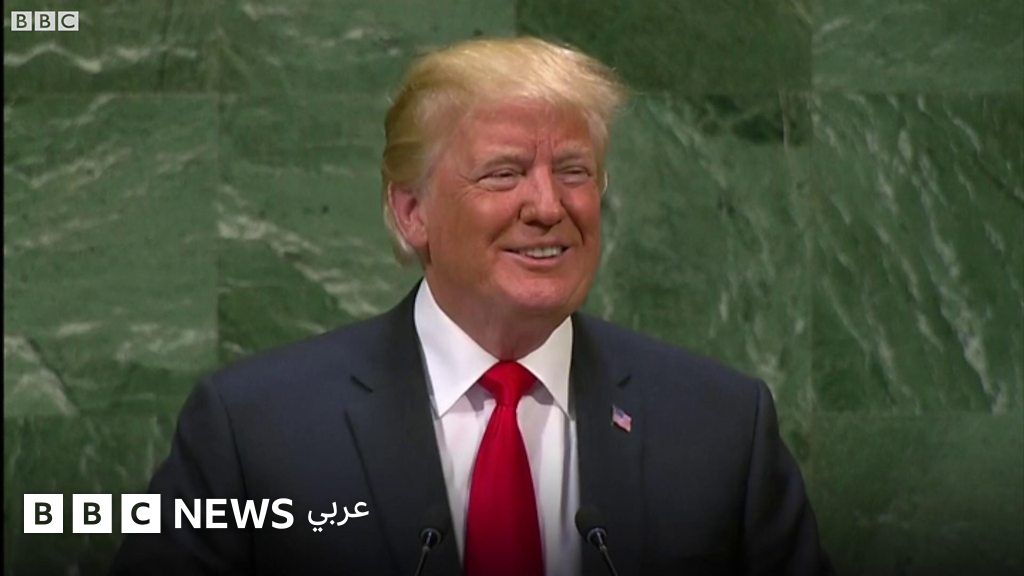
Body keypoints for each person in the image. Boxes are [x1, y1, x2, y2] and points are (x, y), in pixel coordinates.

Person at [112, 37, 831, 576]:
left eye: (573, 171)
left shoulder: (720, 428)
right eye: (504, 173)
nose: (547, 205)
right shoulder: (253, 431)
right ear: (412, 211)